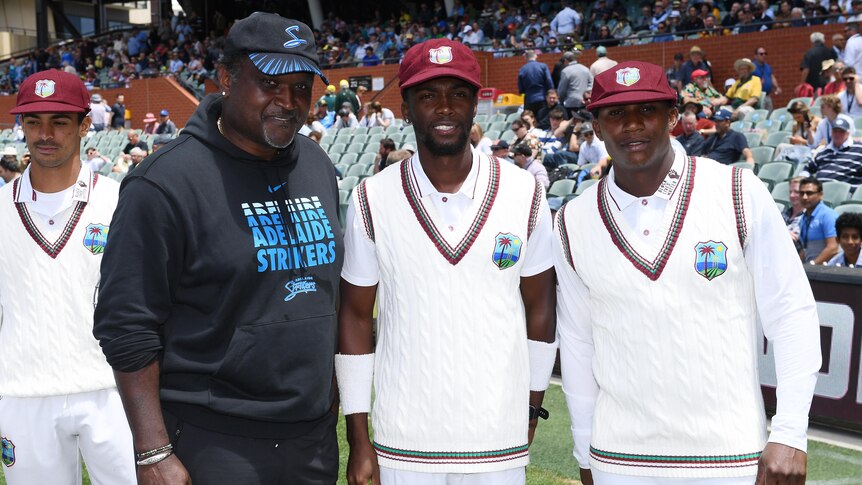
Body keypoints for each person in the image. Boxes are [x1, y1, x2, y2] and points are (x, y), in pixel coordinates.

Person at [93, 12, 343, 484]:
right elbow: (125, 323)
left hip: (310, 440)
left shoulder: (315, 164)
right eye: (270, 82)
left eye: (301, 87)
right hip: (214, 441)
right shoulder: (164, 182)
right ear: (227, 79)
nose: (288, 102)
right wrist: (152, 451)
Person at [554, 60, 821, 485]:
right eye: (616, 114)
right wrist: (585, 451)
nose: (632, 125)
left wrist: (790, 432)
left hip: (728, 458)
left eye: (648, 110)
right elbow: (578, 344)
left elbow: (791, 314)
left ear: (673, 117)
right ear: (597, 127)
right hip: (619, 460)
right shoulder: (571, 220)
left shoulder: (737, 191)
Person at [337, 38, 556, 485]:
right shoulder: (371, 198)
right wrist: (358, 436)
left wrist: (532, 403)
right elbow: (356, 316)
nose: (444, 107)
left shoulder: (524, 192)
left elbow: (541, 306)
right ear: (406, 107)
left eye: (458, 94)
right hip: (404, 442)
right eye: (428, 95)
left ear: (476, 103)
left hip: (497, 439)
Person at [0, 69, 135, 484]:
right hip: (22, 391)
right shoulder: (1, 208)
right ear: (20, 126)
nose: (45, 133)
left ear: (83, 124)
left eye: (59, 121)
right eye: (33, 121)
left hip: (114, 389)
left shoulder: (121, 200)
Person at [803, 116, 862, 185]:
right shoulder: (824, 151)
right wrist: (802, 178)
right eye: (835, 131)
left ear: (848, 133)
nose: (837, 134)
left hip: (843, 193)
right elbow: (808, 169)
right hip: (818, 192)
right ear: (831, 132)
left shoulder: (859, 150)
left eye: (841, 132)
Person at [798, 176, 840, 264]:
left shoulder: (828, 215)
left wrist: (812, 265)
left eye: (809, 193)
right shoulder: (803, 218)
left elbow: (833, 248)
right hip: (811, 268)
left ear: (820, 195)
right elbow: (805, 249)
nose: (804, 197)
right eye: (801, 193)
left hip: (827, 270)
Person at [558, 48, 593, 116]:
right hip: (585, 101)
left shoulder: (565, 71)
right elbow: (592, 83)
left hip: (571, 102)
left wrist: (561, 101)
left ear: (565, 60)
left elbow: (562, 90)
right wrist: (586, 93)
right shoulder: (585, 69)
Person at [518, 49, 554, 115]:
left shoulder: (522, 69)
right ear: (536, 56)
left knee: (530, 120)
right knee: (543, 119)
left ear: (525, 57)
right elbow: (549, 81)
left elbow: (521, 89)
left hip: (529, 99)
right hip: (542, 98)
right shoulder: (543, 66)